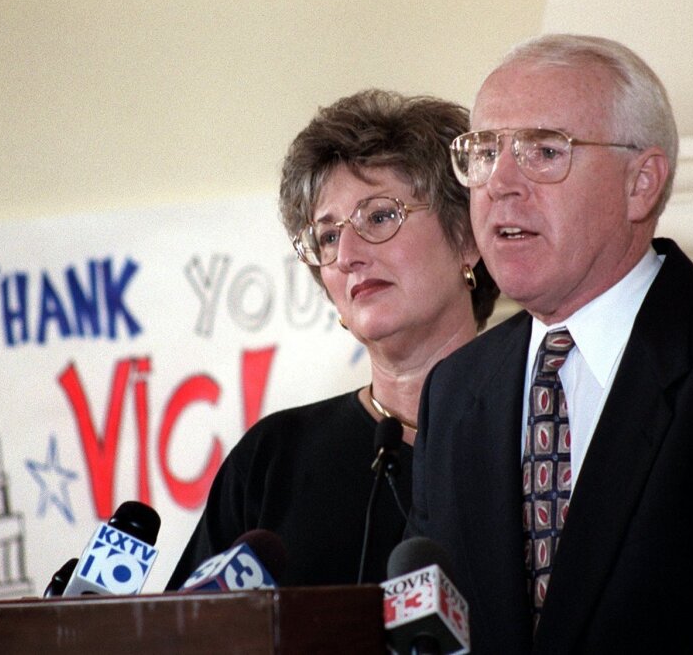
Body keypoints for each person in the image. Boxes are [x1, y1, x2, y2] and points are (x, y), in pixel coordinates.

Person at [409, 34, 693, 653]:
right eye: (484, 151)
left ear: (641, 183)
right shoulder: (455, 391)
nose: (500, 182)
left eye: (543, 150)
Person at [167, 89, 498, 589]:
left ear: (468, 238)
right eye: (326, 236)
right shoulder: (271, 460)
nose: (346, 254)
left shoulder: (539, 434)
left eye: (380, 216)